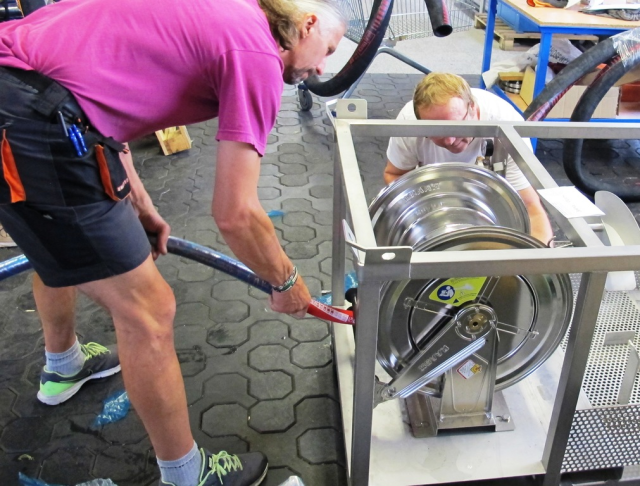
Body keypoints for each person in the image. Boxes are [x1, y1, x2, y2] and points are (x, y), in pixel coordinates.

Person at [0, 0, 345, 484]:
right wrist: (286, 282)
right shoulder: (257, 53)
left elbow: (101, 89)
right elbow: (236, 214)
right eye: (328, 50)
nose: (322, 68)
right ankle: (187, 475)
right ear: (306, 25)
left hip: (25, 95)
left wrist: (139, 202)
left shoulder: (227, 14)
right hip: (33, 119)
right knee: (149, 310)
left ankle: (64, 367)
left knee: (56, 233)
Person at [384, 72, 554, 245]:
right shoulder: (409, 124)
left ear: (472, 108)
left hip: (488, 209)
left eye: (455, 127)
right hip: (433, 204)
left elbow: (531, 208)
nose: (449, 141)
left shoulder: (507, 125)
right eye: (436, 132)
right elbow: (394, 174)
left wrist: (543, 258)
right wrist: (426, 213)